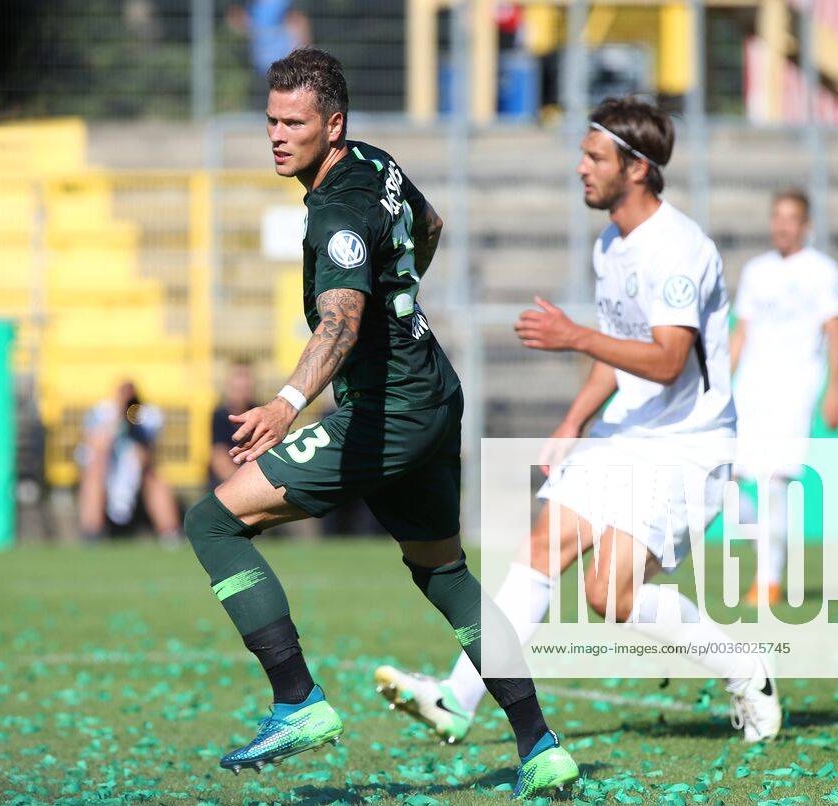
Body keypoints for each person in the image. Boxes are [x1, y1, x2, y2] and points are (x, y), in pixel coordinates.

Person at [182, 47, 578, 797]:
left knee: (211, 521)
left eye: (293, 122)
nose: (276, 134)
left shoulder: (335, 211)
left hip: (388, 414)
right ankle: (542, 747)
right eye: (270, 119)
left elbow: (341, 319)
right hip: (433, 396)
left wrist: (287, 402)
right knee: (445, 573)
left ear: (333, 125)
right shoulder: (376, 162)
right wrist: (402, 287)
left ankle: (296, 700)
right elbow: (430, 223)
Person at [375, 97, 782, 746]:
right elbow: (620, 354)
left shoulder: (677, 249)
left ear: (639, 168)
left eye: (594, 157)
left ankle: (745, 670)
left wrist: (574, 337)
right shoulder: (609, 243)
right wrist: (571, 422)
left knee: (607, 595)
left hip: (688, 448)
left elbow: (669, 360)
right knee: (541, 548)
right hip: (630, 431)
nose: (580, 168)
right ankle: (457, 698)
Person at [730, 189, 838, 605]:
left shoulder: (822, 270)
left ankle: (770, 579)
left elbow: (834, 330)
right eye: (776, 217)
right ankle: (765, 549)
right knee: (725, 481)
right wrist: (720, 386)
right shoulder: (756, 270)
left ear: (806, 224)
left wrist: (834, 388)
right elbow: (741, 333)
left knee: (774, 481)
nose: (782, 225)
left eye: (791, 218)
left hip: (795, 388)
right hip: (750, 387)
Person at [77, 380, 181, 544]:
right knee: (95, 473)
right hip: (107, 469)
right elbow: (97, 447)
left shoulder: (148, 415)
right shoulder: (102, 412)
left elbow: (149, 453)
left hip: (136, 473)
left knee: (155, 477)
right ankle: (92, 532)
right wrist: (118, 420)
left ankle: (170, 534)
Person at [210, 359, 259, 486]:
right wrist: (245, 486)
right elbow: (219, 460)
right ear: (228, 382)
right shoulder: (219, 416)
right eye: (239, 376)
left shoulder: (259, 413)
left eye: (247, 376)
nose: (243, 383)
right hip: (230, 484)